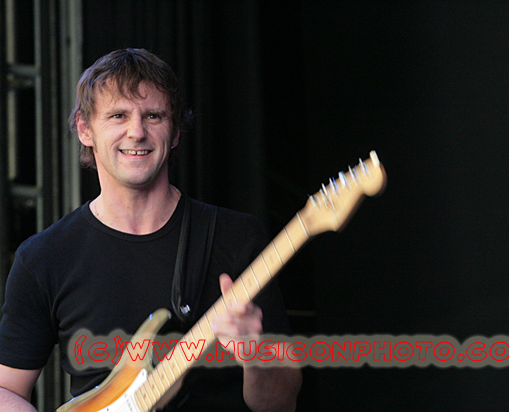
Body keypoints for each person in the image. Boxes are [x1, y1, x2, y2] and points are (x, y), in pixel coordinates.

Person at [0, 48, 302, 411]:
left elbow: (281, 404)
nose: (137, 132)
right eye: (118, 116)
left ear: (174, 132)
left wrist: (255, 354)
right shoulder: (44, 258)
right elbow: (6, 388)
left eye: (153, 116)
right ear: (85, 129)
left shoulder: (236, 238)